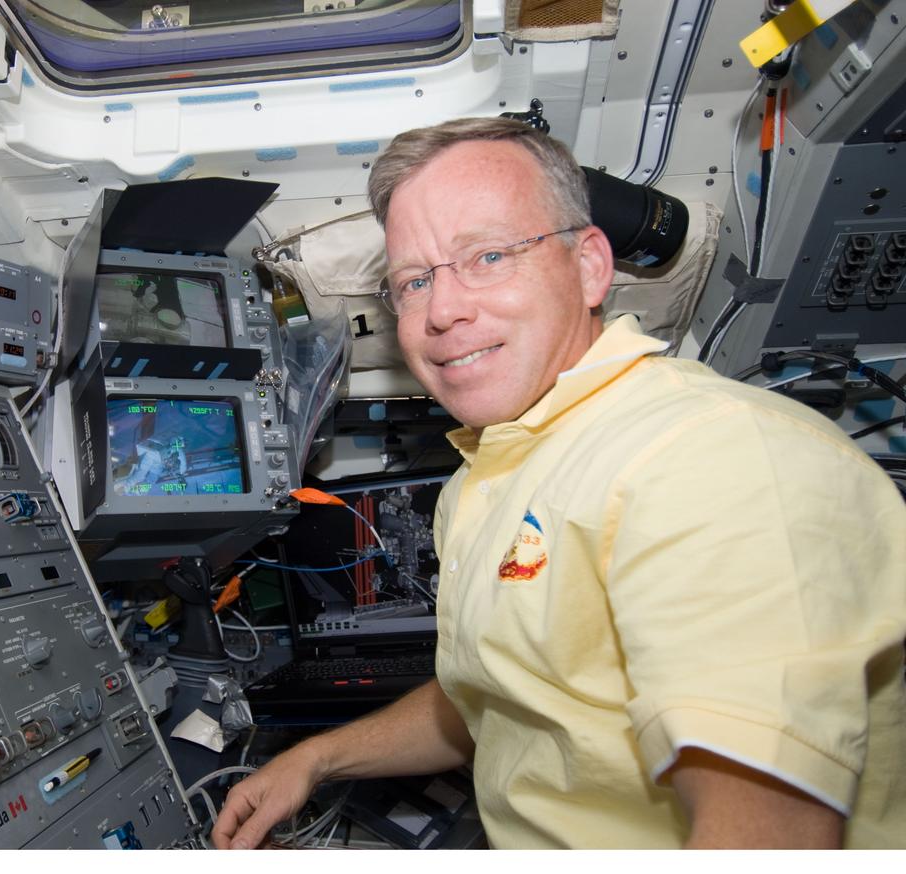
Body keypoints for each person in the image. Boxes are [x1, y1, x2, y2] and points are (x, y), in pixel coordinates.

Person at [211, 117, 906, 849]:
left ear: (590, 267)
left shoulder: (709, 454)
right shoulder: (489, 477)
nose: (441, 311)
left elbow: (773, 838)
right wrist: (315, 759)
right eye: (414, 281)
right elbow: (490, 701)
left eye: (487, 256)